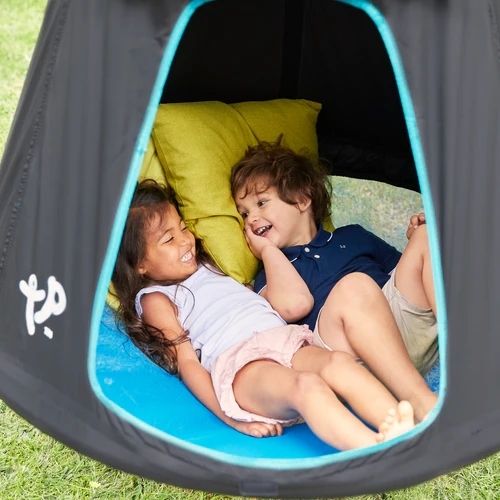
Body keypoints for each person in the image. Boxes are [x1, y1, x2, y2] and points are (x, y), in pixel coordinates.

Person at [112, 179, 419, 451]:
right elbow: (188, 364)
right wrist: (231, 419)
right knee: (307, 387)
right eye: (168, 239)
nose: (185, 240)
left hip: (284, 340)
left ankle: (400, 429)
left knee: (338, 363)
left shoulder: (209, 266)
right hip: (242, 366)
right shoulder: (155, 299)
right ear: (139, 265)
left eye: (182, 228)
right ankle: (374, 453)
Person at [230, 142, 439, 422]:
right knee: (354, 288)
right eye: (244, 213)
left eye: (261, 203)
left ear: (302, 199)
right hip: (348, 358)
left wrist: (416, 242)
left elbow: (408, 276)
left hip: (400, 329)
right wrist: (268, 252)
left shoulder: (353, 236)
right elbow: (291, 305)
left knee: (427, 236)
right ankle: (421, 401)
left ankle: (468, 351)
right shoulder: (271, 272)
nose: (251, 219)